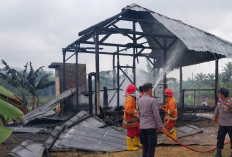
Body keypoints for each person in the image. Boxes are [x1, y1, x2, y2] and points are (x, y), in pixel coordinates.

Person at [137, 83, 163, 157]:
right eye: (151, 89)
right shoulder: (152, 100)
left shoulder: (139, 100)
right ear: (149, 90)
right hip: (151, 129)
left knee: (145, 147)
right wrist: (160, 126)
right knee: (151, 147)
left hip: (142, 128)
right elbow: (156, 115)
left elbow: (139, 114)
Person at [212, 87, 232, 157]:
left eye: (219, 93)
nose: (218, 94)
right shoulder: (220, 100)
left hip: (230, 125)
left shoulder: (230, 102)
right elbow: (217, 108)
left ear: (222, 95)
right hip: (222, 124)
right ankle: (219, 152)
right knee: (220, 138)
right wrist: (214, 116)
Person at [123, 83, 142, 151]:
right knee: (131, 132)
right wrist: (135, 113)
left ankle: (137, 142)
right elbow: (128, 110)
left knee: (137, 130)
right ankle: (130, 147)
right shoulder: (130, 98)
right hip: (130, 119)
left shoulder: (132, 97)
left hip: (133, 119)